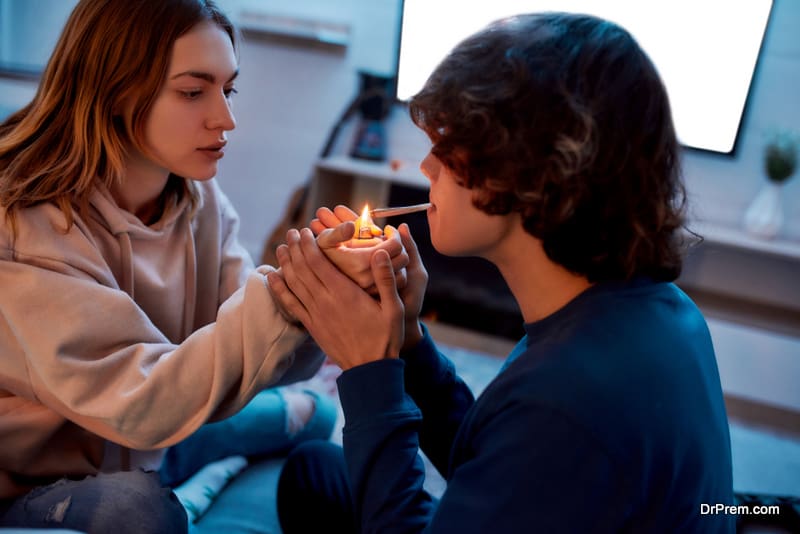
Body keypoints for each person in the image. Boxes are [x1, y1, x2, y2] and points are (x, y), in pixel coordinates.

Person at [267, 12, 736, 533]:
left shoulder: (570, 402)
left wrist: (367, 370)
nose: (427, 167)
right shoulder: (654, 309)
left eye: (450, 143)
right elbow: (504, 450)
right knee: (315, 472)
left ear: (533, 167)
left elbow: (539, 434)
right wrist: (407, 342)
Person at [0, 1, 407, 532]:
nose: (226, 119)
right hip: (30, 473)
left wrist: (322, 293)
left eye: (227, 89)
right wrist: (285, 296)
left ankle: (250, 429)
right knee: (143, 512)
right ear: (116, 90)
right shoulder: (23, 226)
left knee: (321, 417)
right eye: (193, 92)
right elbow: (139, 401)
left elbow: (254, 346)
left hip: (150, 439)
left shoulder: (197, 198)